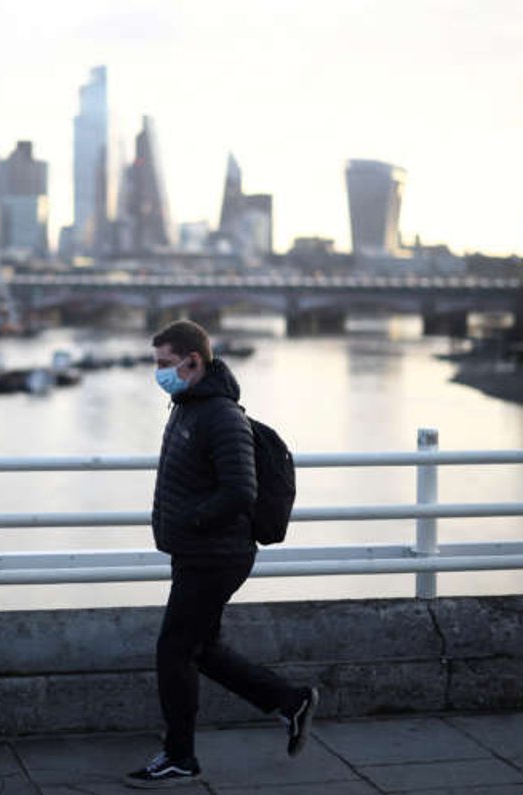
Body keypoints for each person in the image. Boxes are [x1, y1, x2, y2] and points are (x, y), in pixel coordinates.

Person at [124, 319, 319, 789]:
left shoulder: (220, 416)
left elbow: (240, 492)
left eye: (166, 364)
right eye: (157, 364)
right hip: (196, 552)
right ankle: (291, 702)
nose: (159, 373)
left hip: (216, 555)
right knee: (202, 649)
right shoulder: (186, 405)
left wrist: (190, 521)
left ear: (194, 361)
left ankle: (180, 758)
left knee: (174, 651)